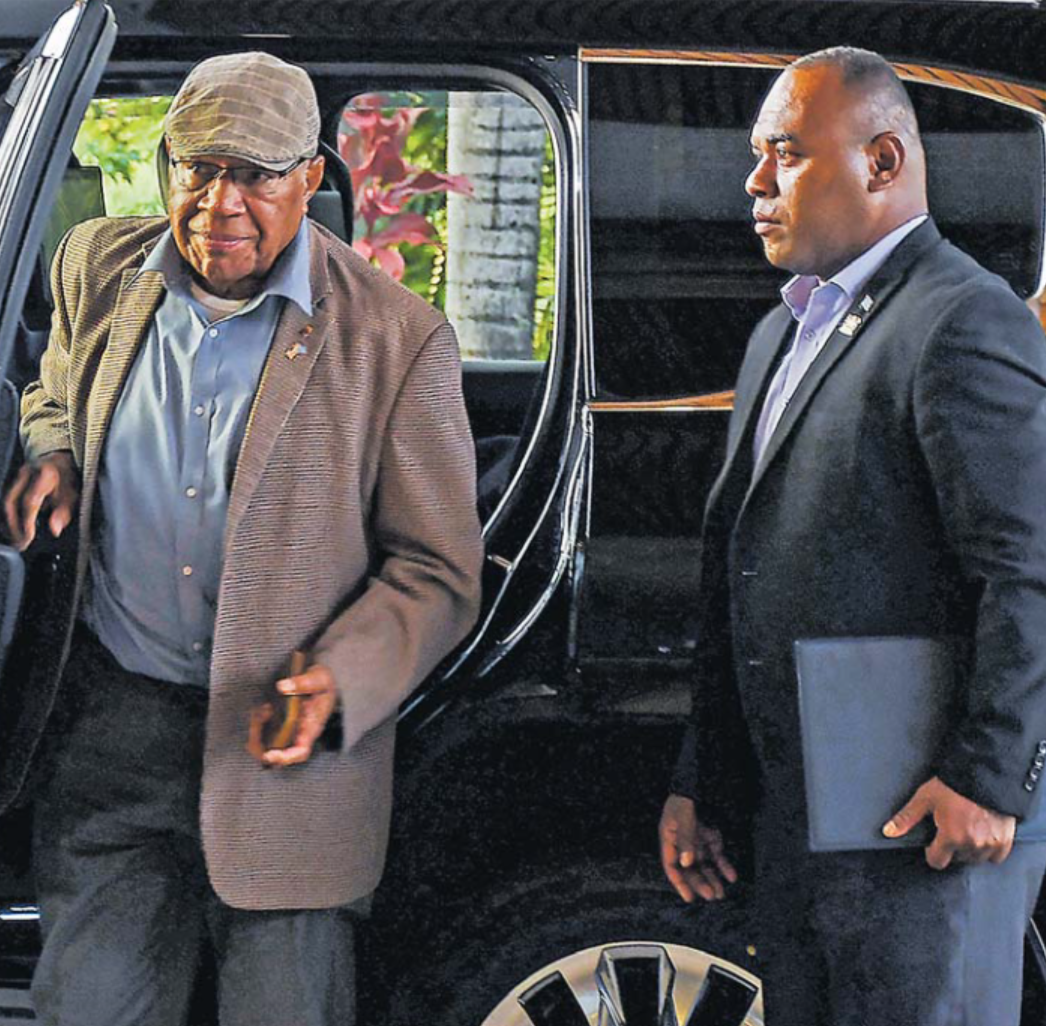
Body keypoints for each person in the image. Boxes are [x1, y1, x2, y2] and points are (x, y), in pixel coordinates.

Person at [0, 52, 483, 1026]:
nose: (221, 202)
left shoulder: (397, 339)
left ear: (310, 176)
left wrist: (340, 680)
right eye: (200, 168)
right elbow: (54, 387)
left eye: (256, 175)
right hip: (112, 730)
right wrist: (56, 453)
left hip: (282, 752)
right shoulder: (95, 266)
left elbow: (437, 571)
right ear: (167, 165)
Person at [658, 47, 1046, 1025]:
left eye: (785, 153)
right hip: (805, 830)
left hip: (931, 835)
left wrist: (988, 778)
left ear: (881, 162)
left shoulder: (963, 320)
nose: (754, 183)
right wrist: (706, 782)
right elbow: (739, 570)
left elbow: (1027, 568)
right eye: (755, 155)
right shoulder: (778, 338)